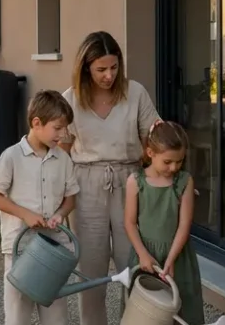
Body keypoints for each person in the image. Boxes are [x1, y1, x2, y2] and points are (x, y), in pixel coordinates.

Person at [58, 30, 162, 325]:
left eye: (114, 67)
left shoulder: (136, 93)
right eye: (101, 69)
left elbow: (154, 140)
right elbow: (63, 154)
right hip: (85, 184)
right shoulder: (72, 100)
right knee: (91, 269)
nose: (108, 75)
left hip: (130, 180)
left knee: (134, 262)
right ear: (86, 68)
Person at [0, 90, 80, 325]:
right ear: (36, 123)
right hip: (20, 249)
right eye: (58, 128)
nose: (63, 134)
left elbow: (71, 199)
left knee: (56, 316)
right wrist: (25, 214)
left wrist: (60, 214)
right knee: (18, 316)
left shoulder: (64, 159)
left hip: (55, 250)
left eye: (65, 128)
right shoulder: (11, 157)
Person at [125, 120, 205, 325]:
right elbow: (130, 223)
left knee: (182, 308)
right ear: (150, 153)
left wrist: (170, 260)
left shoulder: (184, 181)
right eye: (168, 161)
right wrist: (143, 254)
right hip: (145, 255)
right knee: (144, 313)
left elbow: (184, 225)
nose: (174, 167)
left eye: (179, 161)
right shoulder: (135, 181)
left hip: (178, 256)